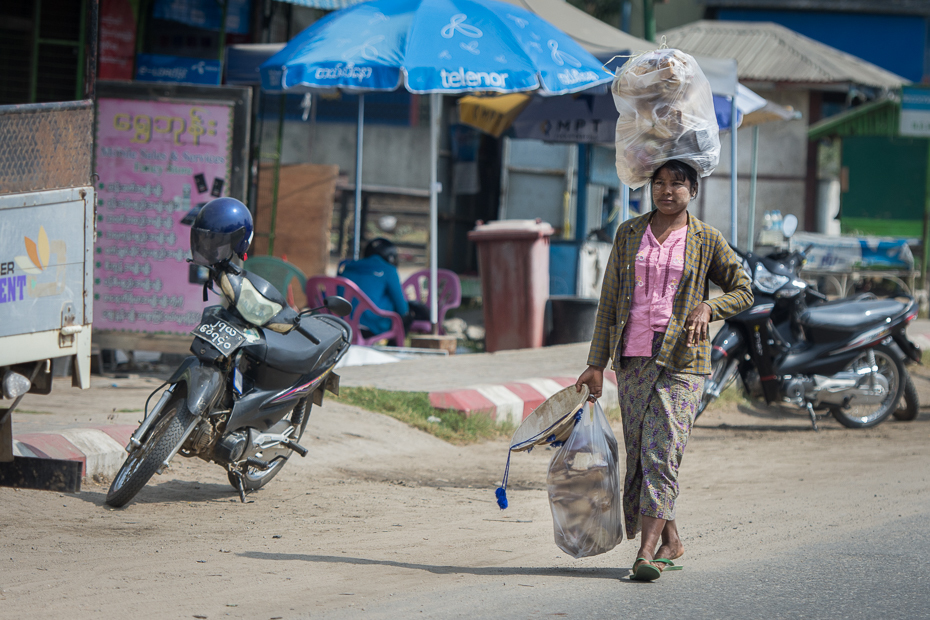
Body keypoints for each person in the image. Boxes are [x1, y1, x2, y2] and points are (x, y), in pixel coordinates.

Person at [575, 160, 753, 581]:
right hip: (633, 357)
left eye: (677, 184)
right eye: (659, 183)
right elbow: (609, 302)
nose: (667, 190)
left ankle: (646, 553)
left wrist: (710, 307)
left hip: (682, 362)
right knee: (641, 453)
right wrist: (595, 364)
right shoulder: (629, 233)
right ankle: (672, 539)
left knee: (662, 452)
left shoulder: (707, 239)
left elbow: (744, 289)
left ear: (694, 190)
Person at [338, 238, 428, 339]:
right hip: (371, 327)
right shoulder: (388, 270)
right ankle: (394, 349)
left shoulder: (347, 268)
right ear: (390, 258)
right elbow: (403, 309)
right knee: (406, 316)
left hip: (341, 324)